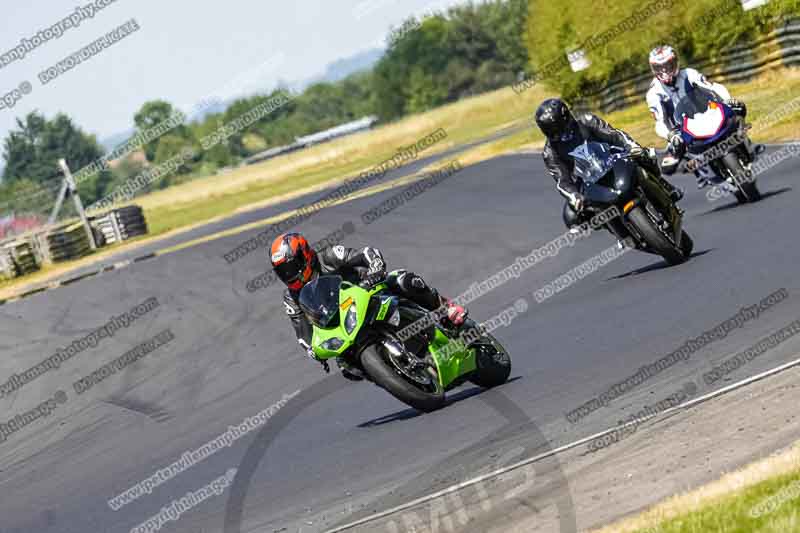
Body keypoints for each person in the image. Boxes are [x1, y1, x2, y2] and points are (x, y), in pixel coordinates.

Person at [270, 233, 467, 379]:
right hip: (344, 326)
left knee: (403, 280)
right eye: (282, 272)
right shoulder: (291, 298)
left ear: (305, 255)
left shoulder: (328, 257)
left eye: (290, 267)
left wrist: (375, 267)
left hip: (372, 293)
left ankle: (446, 309)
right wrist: (313, 351)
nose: (289, 275)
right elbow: (303, 335)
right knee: (347, 368)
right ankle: (399, 375)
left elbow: (366, 253)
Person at [534, 98, 682, 243]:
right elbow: (562, 181)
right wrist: (574, 196)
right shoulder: (550, 153)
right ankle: (618, 232)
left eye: (558, 127)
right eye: (551, 131)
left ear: (566, 117)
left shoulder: (586, 120)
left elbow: (614, 135)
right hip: (588, 181)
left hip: (612, 160)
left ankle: (665, 186)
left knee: (643, 156)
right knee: (572, 217)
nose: (558, 133)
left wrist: (631, 146)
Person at [646, 45, 764, 186]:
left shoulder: (689, 74)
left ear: (676, 62)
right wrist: (671, 135)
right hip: (679, 129)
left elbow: (713, 87)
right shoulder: (654, 93)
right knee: (668, 166)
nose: (665, 71)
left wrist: (727, 100)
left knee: (738, 109)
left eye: (668, 65)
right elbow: (659, 122)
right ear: (654, 69)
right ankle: (699, 173)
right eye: (660, 68)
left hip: (705, 113)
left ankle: (749, 145)